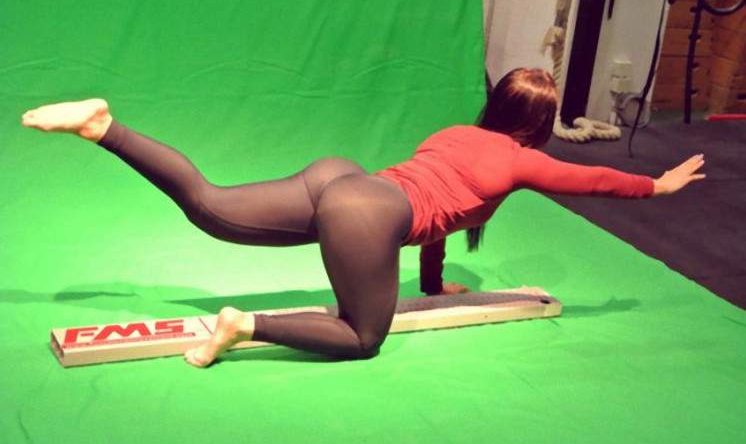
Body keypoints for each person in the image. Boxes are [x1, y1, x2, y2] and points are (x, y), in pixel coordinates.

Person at [20, 68, 705, 368]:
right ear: (540, 123)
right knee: (362, 335)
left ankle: (104, 126)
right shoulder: (519, 162)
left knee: (210, 204)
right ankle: (243, 326)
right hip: (367, 212)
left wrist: (432, 288)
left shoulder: (454, 134)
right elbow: (592, 179)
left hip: (343, 179)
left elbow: (438, 218)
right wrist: (656, 184)